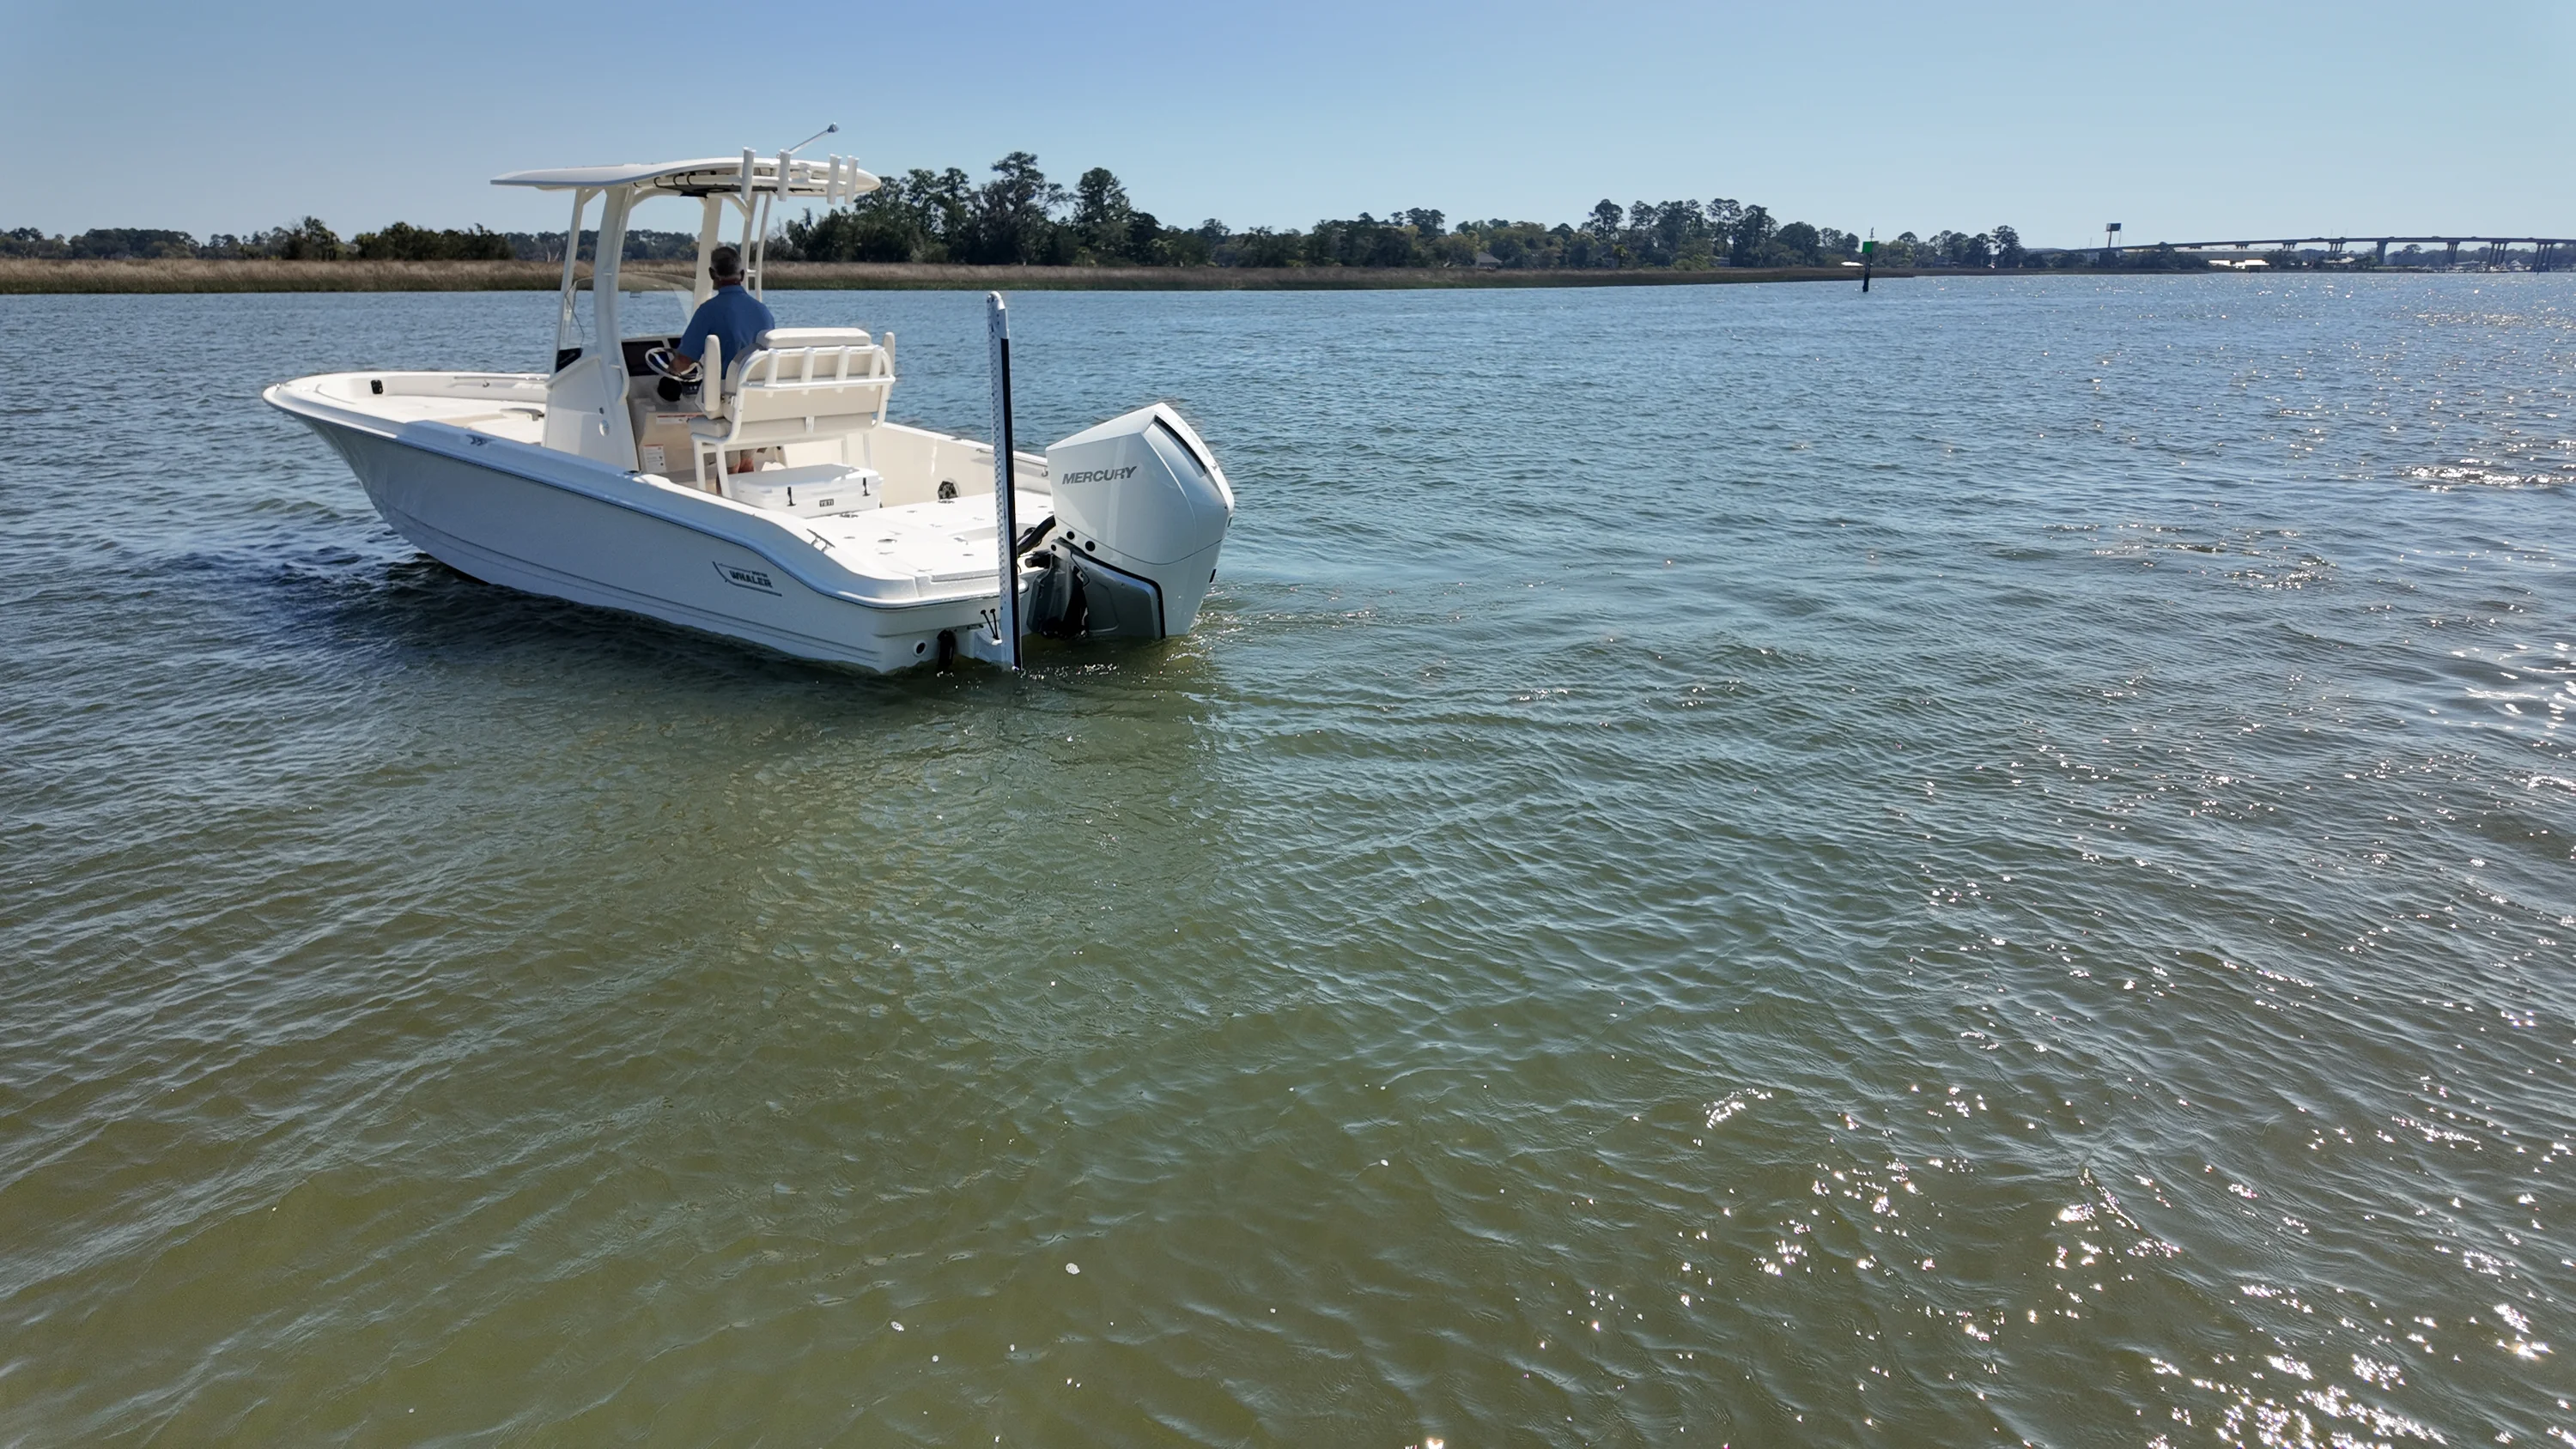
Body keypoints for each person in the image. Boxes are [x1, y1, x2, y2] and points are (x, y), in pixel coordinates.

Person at [671, 245, 774, 389]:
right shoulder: (763, 311)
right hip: (756, 393)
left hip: (725, 395)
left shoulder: (708, 311)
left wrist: (669, 372)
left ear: (712, 274)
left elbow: (684, 361)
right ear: (743, 275)